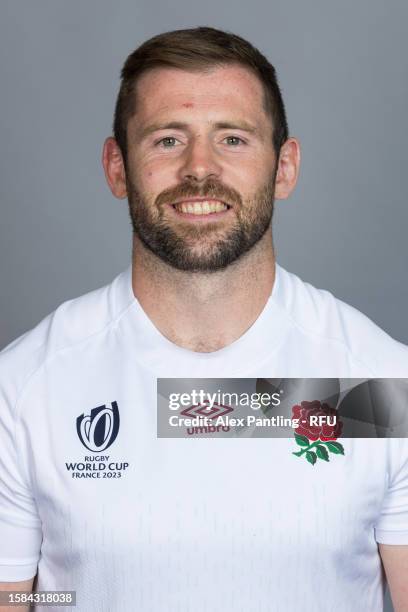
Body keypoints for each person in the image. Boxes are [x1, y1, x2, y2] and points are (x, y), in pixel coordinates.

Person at [0, 26, 407, 612]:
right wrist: (75, 597)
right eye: (167, 139)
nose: (200, 168)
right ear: (117, 167)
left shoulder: (381, 387)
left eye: (233, 139)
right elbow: (17, 600)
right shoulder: (24, 388)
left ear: (284, 168)